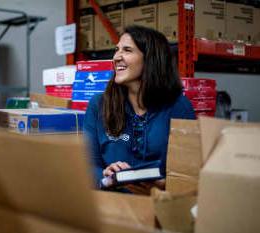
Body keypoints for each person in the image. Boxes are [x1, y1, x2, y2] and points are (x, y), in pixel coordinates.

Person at [83, 25, 196, 194]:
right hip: (112, 204)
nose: (116, 57)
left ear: (151, 59)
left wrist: (162, 185)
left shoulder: (179, 107)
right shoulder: (99, 105)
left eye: (127, 50)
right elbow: (87, 166)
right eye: (116, 50)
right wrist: (105, 176)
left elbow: (187, 175)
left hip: (157, 207)